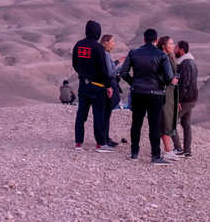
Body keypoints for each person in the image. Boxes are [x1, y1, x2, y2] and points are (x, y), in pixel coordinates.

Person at [120, 28, 175, 164]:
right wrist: (165, 82)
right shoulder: (162, 56)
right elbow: (169, 78)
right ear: (156, 40)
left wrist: (134, 82)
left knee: (136, 123)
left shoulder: (134, 53)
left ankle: (134, 153)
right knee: (154, 125)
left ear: (144, 39)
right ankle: (155, 156)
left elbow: (123, 72)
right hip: (155, 94)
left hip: (137, 92)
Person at [72, 20, 114, 152]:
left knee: (81, 115)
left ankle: (79, 143)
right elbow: (103, 70)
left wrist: (83, 74)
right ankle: (100, 144)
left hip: (83, 85)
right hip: (97, 86)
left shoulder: (78, 45)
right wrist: (108, 85)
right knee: (98, 115)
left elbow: (74, 63)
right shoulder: (98, 48)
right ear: (97, 32)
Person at [157, 36, 180, 162]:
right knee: (165, 119)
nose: (173, 45)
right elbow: (161, 76)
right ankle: (167, 150)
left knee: (168, 118)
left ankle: (168, 149)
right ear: (163, 45)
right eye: (170, 43)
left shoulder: (169, 57)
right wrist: (171, 80)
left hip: (171, 93)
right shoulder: (162, 57)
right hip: (165, 93)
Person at [174, 40, 198, 158]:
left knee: (171, 123)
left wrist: (179, 100)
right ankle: (187, 151)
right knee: (185, 123)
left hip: (186, 99)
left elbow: (185, 84)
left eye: (176, 48)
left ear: (181, 50)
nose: (174, 50)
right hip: (191, 98)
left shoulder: (186, 63)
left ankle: (178, 149)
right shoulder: (190, 62)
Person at [101, 34, 122, 147]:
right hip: (109, 85)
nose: (114, 43)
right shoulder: (105, 54)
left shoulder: (106, 54)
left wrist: (118, 62)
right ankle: (104, 139)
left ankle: (105, 137)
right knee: (106, 113)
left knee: (107, 113)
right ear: (106, 42)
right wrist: (119, 71)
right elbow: (109, 72)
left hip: (108, 84)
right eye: (112, 41)